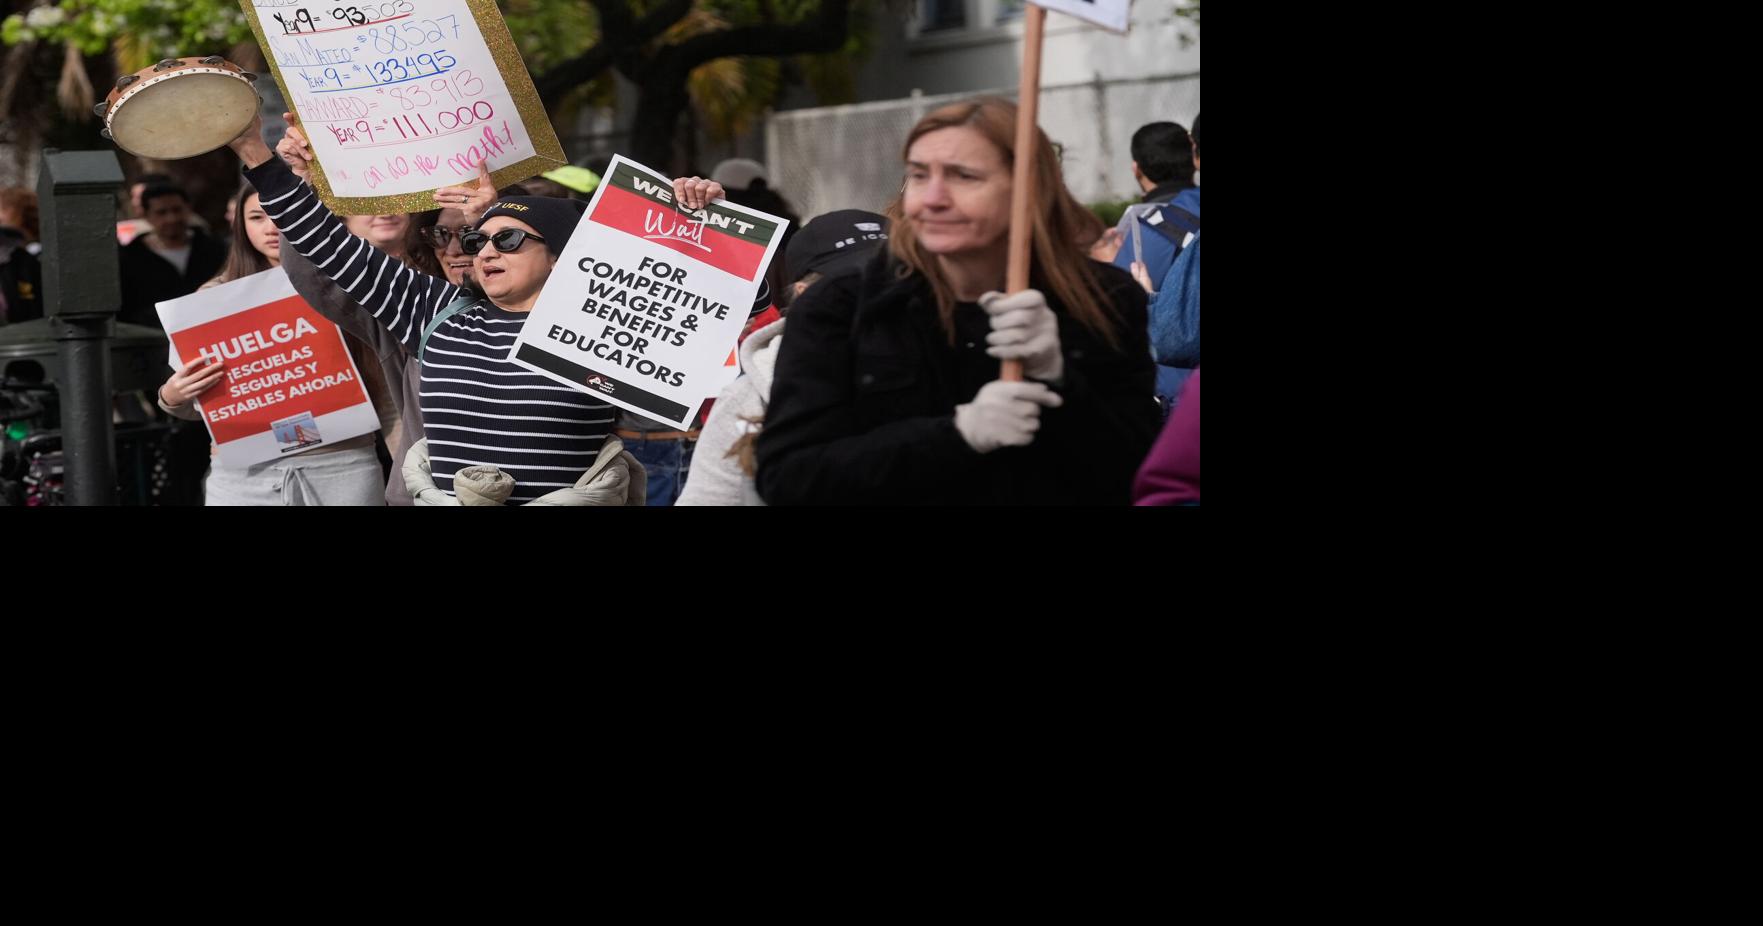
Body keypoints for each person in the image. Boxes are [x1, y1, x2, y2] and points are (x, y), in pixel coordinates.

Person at [754, 97, 1160, 505]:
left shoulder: (1102, 298)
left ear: (1028, 189)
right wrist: (958, 434)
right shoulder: (842, 305)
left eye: (963, 176)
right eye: (918, 175)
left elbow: (1139, 470)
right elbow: (789, 479)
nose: (933, 198)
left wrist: (1060, 377)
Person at [227, 115, 644, 505]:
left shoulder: (605, 326)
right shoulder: (437, 312)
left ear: (558, 256)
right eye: (479, 241)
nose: (483, 250)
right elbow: (325, 245)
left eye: (510, 241)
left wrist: (700, 212)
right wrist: (252, 149)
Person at [154, 184, 393, 505]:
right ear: (240, 226)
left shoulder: (346, 286)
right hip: (245, 474)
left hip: (341, 466)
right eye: (256, 217)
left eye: (281, 215)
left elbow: (386, 385)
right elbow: (204, 406)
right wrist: (172, 395)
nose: (271, 227)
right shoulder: (212, 296)